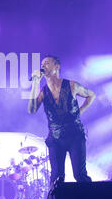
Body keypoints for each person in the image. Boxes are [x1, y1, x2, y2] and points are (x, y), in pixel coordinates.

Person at [28, 55, 95, 184]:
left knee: (80, 175)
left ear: (57, 67)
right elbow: (32, 110)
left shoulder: (72, 85)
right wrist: (35, 83)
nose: (43, 66)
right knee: (56, 178)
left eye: (47, 63)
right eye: (42, 64)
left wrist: (80, 111)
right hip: (55, 138)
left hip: (74, 135)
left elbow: (91, 95)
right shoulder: (43, 91)